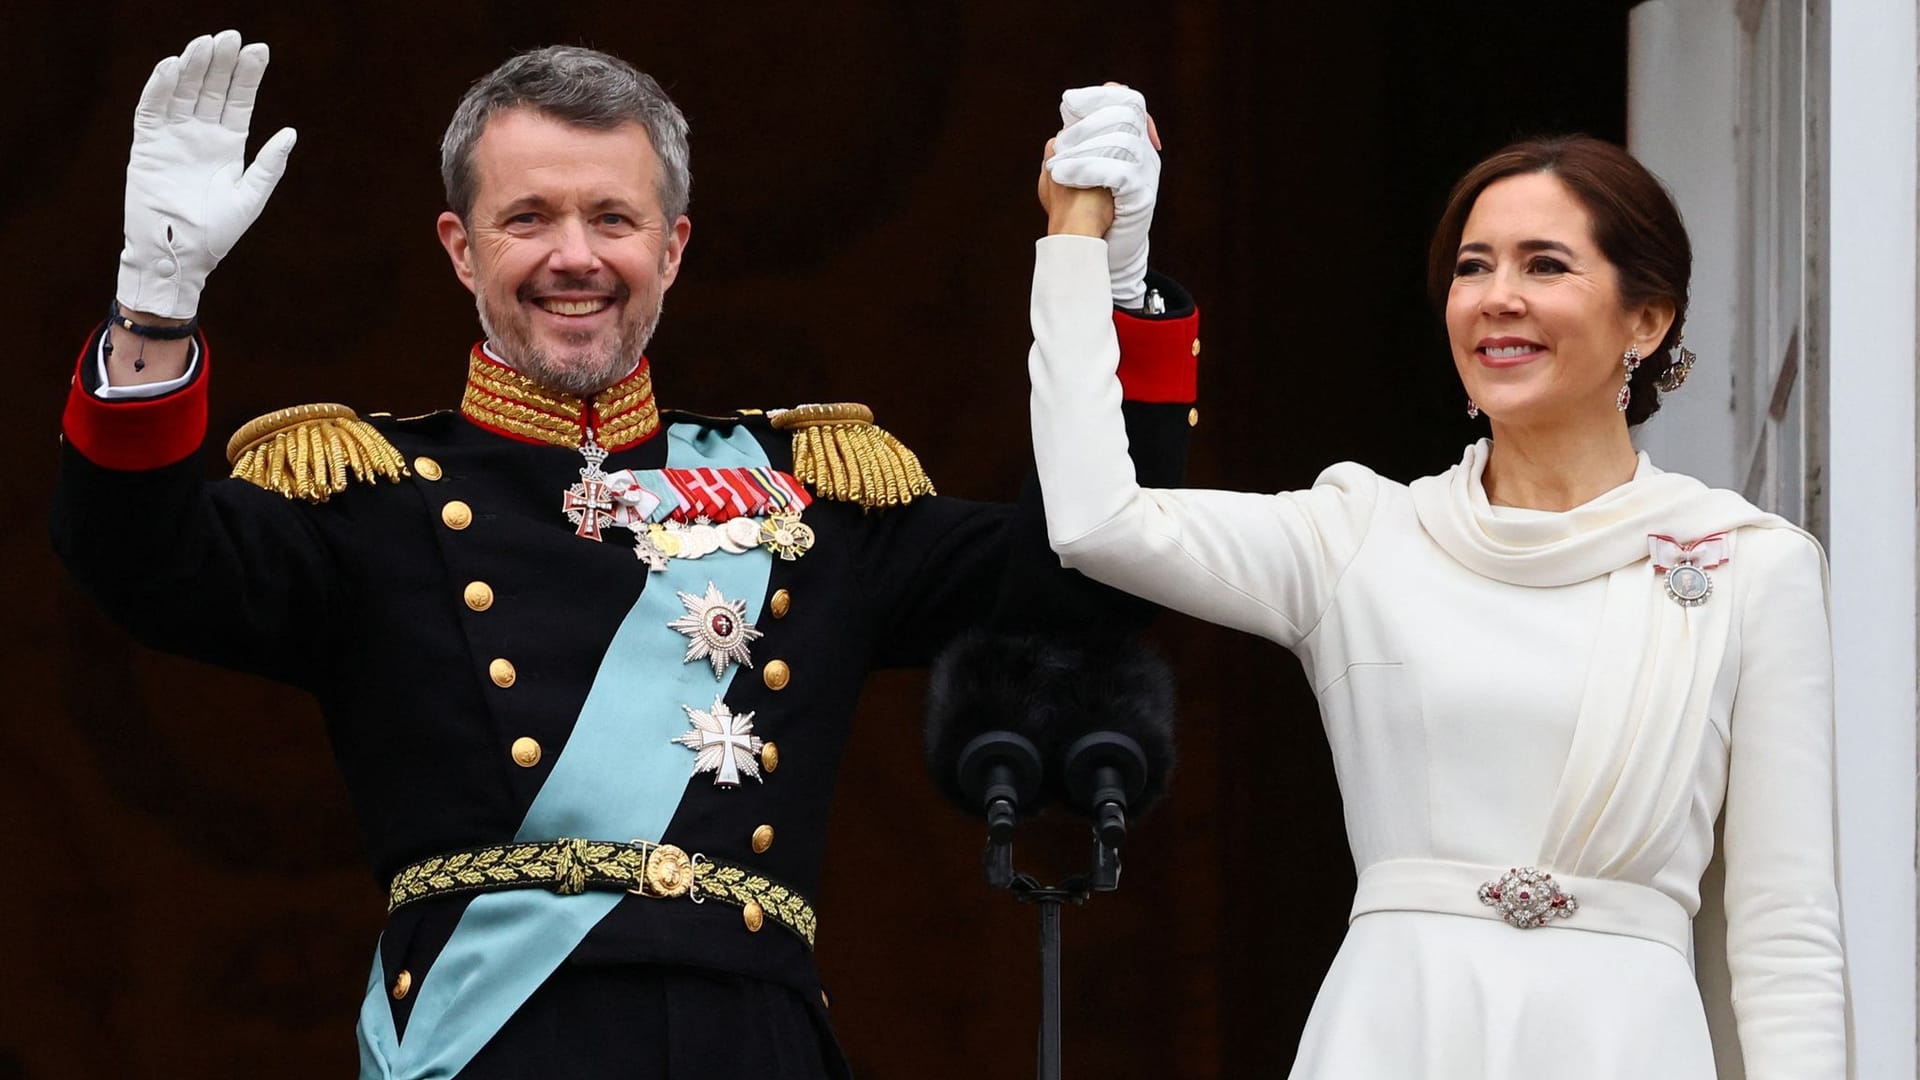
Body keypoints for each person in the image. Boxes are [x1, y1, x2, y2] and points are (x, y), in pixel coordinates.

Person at [51, 33, 1201, 1079]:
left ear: (673, 245)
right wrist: (155, 306)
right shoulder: (372, 498)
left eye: (613, 218)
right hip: (490, 1046)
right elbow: (139, 560)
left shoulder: (814, 493)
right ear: (459, 248)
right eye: (529, 218)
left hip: (755, 1047)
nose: (575, 257)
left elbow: (1092, 572)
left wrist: (1122, 293)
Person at [1029, 93, 1848, 1078]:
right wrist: (1088, 256)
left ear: (1647, 317)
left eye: (1545, 264)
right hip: (1393, 1034)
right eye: (1473, 267)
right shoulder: (1362, 535)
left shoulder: (1749, 562)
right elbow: (1095, 523)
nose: (1498, 296)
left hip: (1622, 1044)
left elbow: (1786, 937)